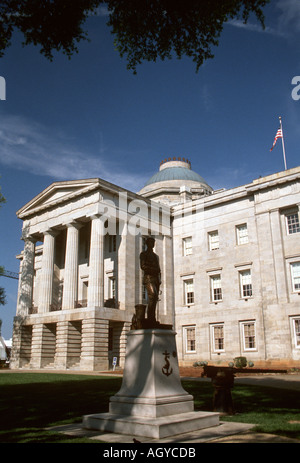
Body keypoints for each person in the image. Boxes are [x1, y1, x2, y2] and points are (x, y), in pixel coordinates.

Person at [140, 236, 161, 323]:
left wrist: (159, 280)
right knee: (153, 295)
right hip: (148, 278)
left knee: (155, 298)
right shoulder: (143, 254)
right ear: (146, 243)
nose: (151, 244)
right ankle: (150, 318)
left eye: (153, 242)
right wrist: (153, 269)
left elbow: (159, 269)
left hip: (156, 279)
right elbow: (143, 266)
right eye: (150, 242)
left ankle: (152, 318)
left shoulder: (156, 256)